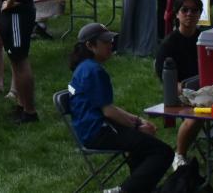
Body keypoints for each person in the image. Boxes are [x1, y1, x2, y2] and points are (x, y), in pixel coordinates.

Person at [69, 23, 172, 193]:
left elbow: (108, 107)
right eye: (105, 42)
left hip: (93, 129)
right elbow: (108, 111)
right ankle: (125, 191)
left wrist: (137, 121)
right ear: (90, 46)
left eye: (110, 40)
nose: (111, 44)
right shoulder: (94, 71)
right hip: (98, 133)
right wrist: (138, 127)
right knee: (163, 152)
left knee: (143, 145)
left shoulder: (85, 67)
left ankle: (140, 188)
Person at [154, 0, 205, 170]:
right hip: (182, 93)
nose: (189, 14)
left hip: (206, 88)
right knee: (196, 116)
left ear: (200, 14)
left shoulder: (205, 38)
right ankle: (179, 155)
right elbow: (163, 75)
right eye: (185, 10)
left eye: (194, 10)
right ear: (177, 14)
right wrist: (178, 87)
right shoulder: (169, 44)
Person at [2, 0, 40, 123]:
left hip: (18, 11)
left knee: (20, 59)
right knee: (15, 60)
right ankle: (21, 104)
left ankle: (30, 111)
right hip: (16, 11)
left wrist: (9, 1)